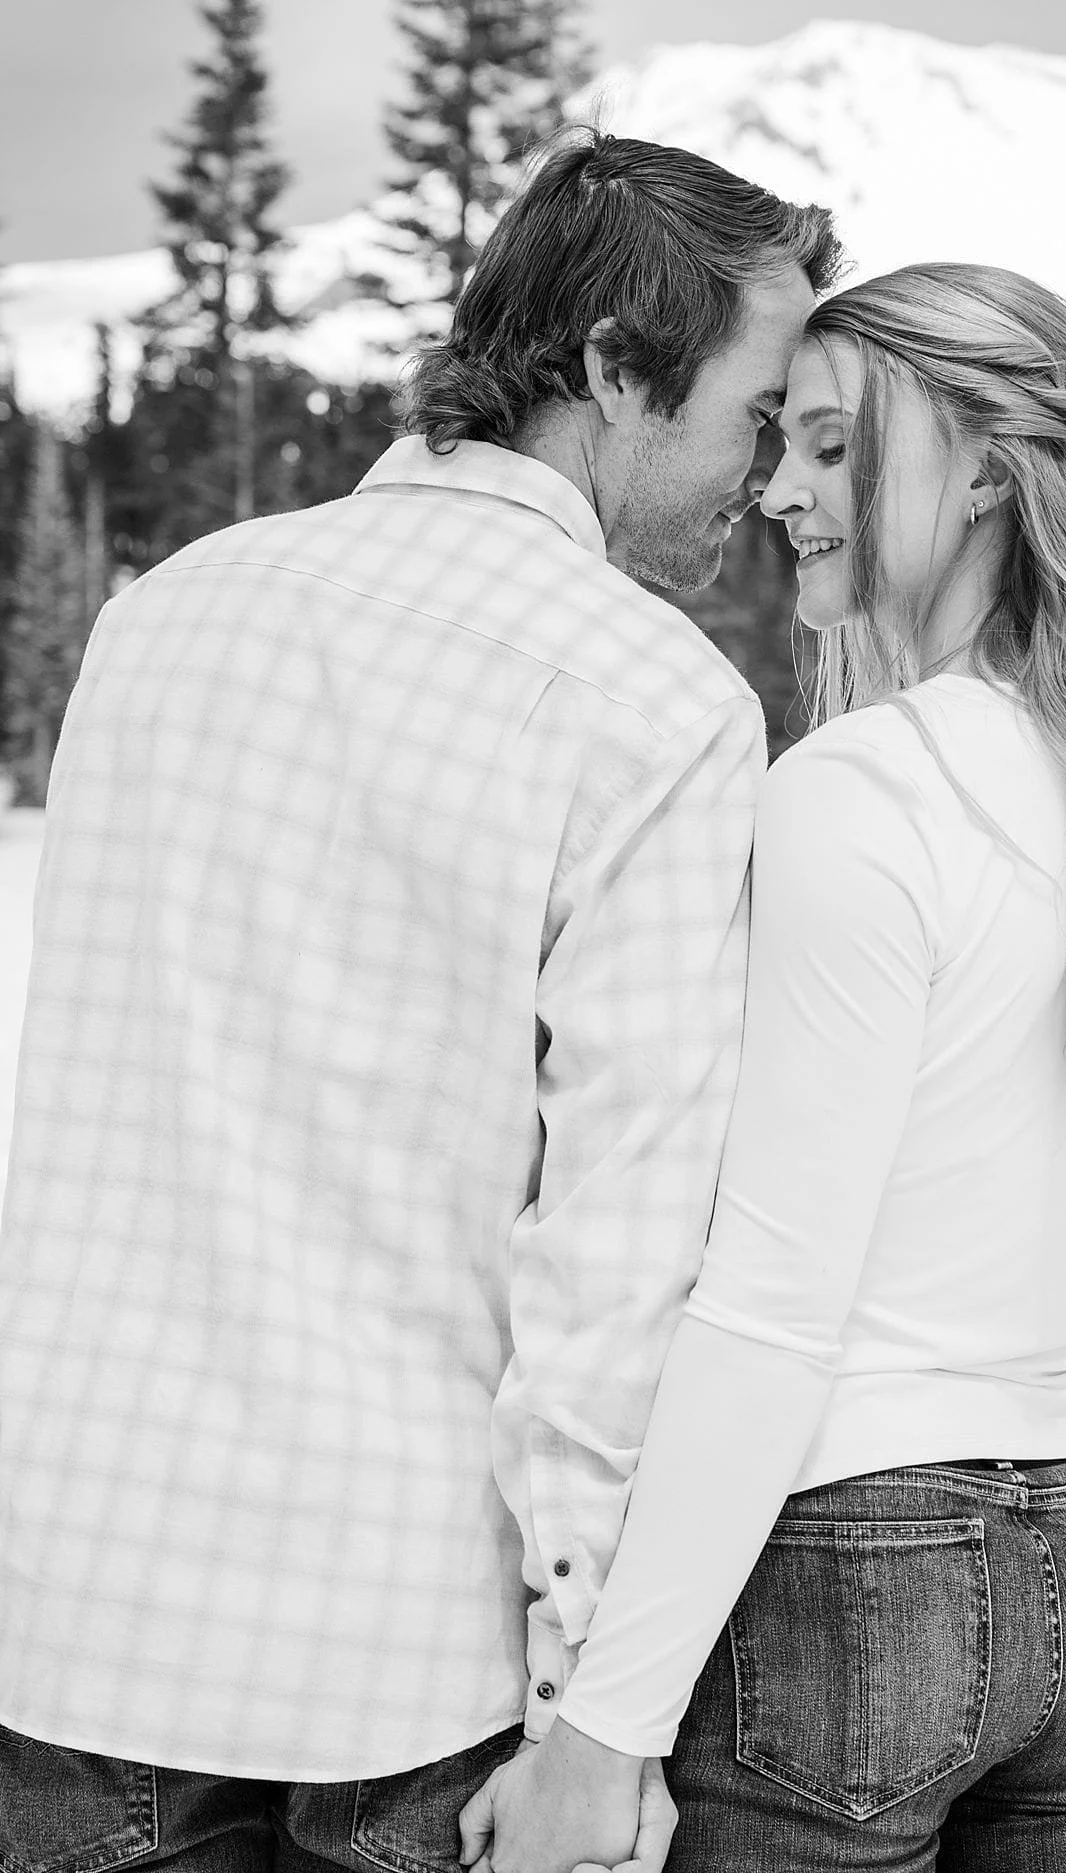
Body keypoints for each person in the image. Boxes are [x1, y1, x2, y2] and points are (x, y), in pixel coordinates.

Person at [0, 133, 835, 1871]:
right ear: (615, 364)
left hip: (69, 1609)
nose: (762, 478)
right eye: (755, 413)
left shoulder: (162, 619)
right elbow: (615, 1258)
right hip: (396, 1663)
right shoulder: (651, 699)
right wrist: (588, 1721)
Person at [460, 263, 1066, 1873]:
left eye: (831, 446)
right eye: (780, 444)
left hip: (849, 1571)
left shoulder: (861, 793)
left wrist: (599, 1734)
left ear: (977, 468)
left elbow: (769, 1301)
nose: (779, 492)